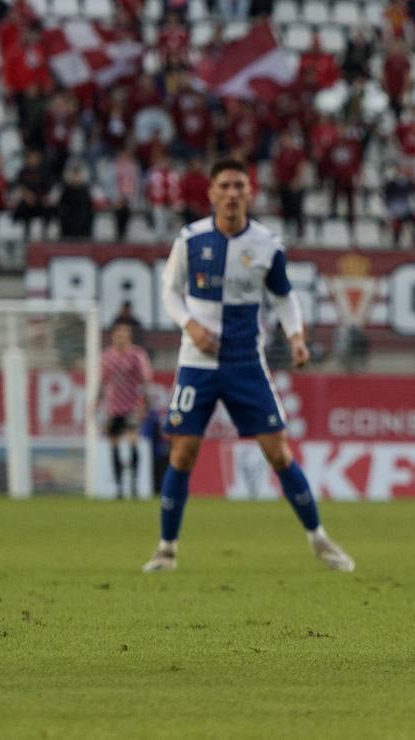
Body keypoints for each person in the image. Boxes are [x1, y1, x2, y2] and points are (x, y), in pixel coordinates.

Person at [141, 157, 354, 574]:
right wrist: (190, 325)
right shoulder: (190, 239)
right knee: (182, 453)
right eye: (225, 186)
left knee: (278, 452)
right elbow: (168, 292)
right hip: (197, 362)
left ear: (249, 192)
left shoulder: (266, 245)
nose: (233, 193)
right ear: (211, 192)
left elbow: (283, 298)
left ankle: (319, 539)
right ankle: (166, 548)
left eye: (240, 185)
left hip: (245, 364)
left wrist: (296, 337)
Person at [99, 322, 153, 499]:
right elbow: (102, 382)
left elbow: (145, 382)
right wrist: (96, 403)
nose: (121, 337)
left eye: (124, 334)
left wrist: (145, 404)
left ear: (129, 337)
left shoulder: (137, 355)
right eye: (118, 334)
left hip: (132, 407)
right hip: (113, 408)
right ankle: (119, 486)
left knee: (132, 440)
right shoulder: (107, 357)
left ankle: (135, 482)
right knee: (114, 445)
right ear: (113, 336)